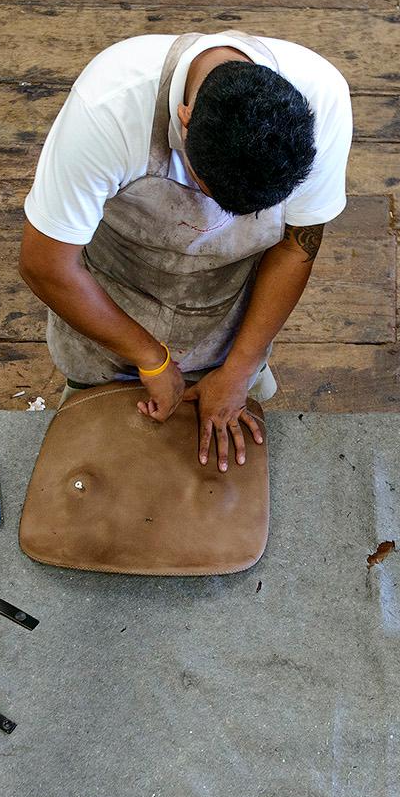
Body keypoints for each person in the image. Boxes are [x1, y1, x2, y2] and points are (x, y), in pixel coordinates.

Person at [19, 32, 352, 471]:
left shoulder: (321, 101)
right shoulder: (107, 109)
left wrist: (238, 371)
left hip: (227, 307)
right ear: (185, 118)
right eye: (206, 188)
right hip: (111, 298)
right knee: (100, 464)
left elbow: (296, 245)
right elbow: (46, 265)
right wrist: (150, 358)